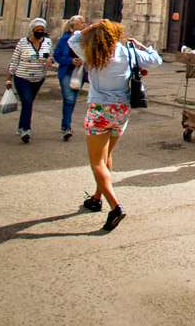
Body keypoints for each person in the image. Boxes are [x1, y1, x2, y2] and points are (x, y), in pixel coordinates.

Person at [68, 19, 162, 232]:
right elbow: (156, 60)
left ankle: (115, 207)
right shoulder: (128, 53)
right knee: (107, 154)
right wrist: (141, 46)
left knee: (97, 162)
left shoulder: (91, 53)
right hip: (121, 111)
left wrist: (91, 27)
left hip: (100, 110)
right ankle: (96, 197)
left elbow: (73, 39)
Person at [6, 18, 53, 143]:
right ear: (32, 31)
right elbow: (16, 59)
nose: (40, 32)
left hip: (38, 78)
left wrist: (50, 60)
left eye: (42, 30)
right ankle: (26, 130)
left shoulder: (47, 42)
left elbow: (49, 55)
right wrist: (9, 78)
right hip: (22, 77)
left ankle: (21, 125)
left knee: (28, 102)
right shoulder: (23, 42)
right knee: (27, 101)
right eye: (37, 30)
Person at [53, 15, 87, 141]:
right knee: (69, 98)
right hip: (67, 72)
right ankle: (67, 127)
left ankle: (65, 123)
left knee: (72, 99)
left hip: (79, 73)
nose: (84, 24)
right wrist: (71, 60)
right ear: (74, 25)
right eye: (81, 23)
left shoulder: (83, 40)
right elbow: (57, 55)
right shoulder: (65, 39)